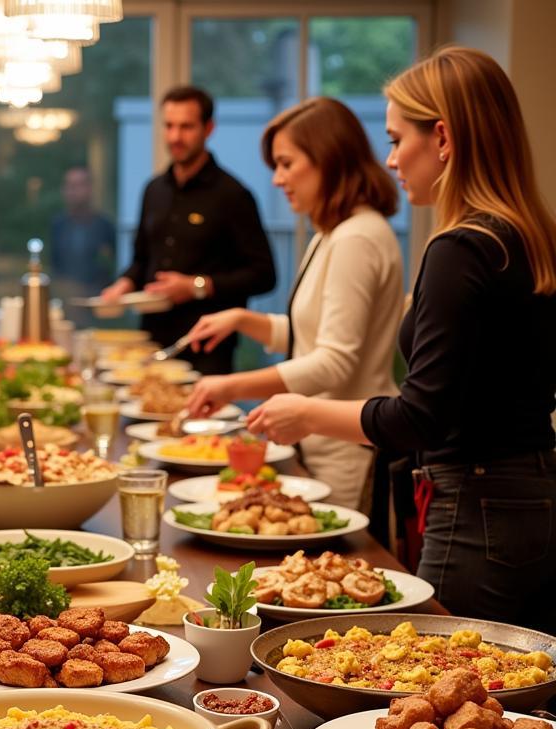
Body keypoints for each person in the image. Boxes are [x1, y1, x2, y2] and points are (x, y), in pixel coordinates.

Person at [247, 46, 556, 629]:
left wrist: (308, 413)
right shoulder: (528, 237)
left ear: (442, 138)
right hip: (534, 492)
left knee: (449, 697)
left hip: (476, 504)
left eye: (396, 139)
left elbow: (421, 417)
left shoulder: (459, 249)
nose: (390, 159)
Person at [183, 98, 404, 509]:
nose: (278, 179)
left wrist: (232, 385)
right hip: (322, 447)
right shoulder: (334, 232)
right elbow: (315, 332)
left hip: (346, 456)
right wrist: (242, 318)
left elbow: (335, 360)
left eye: (286, 164)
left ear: (329, 160)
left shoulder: (356, 237)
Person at [99, 85, 276, 373]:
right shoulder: (153, 189)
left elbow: (264, 275)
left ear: (209, 129)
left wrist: (196, 287)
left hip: (207, 347)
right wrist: (125, 285)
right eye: (169, 126)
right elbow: (142, 260)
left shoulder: (233, 195)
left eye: (186, 127)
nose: (175, 137)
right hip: (152, 341)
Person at [50, 166, 116, 316]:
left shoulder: (104, 227)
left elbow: (108, 269)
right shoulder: (58, 225)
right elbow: (55, 265)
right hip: (65, 304)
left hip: (96, 305)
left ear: (90, 189)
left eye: (78, 185)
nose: (72, 191)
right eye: (68, 185)